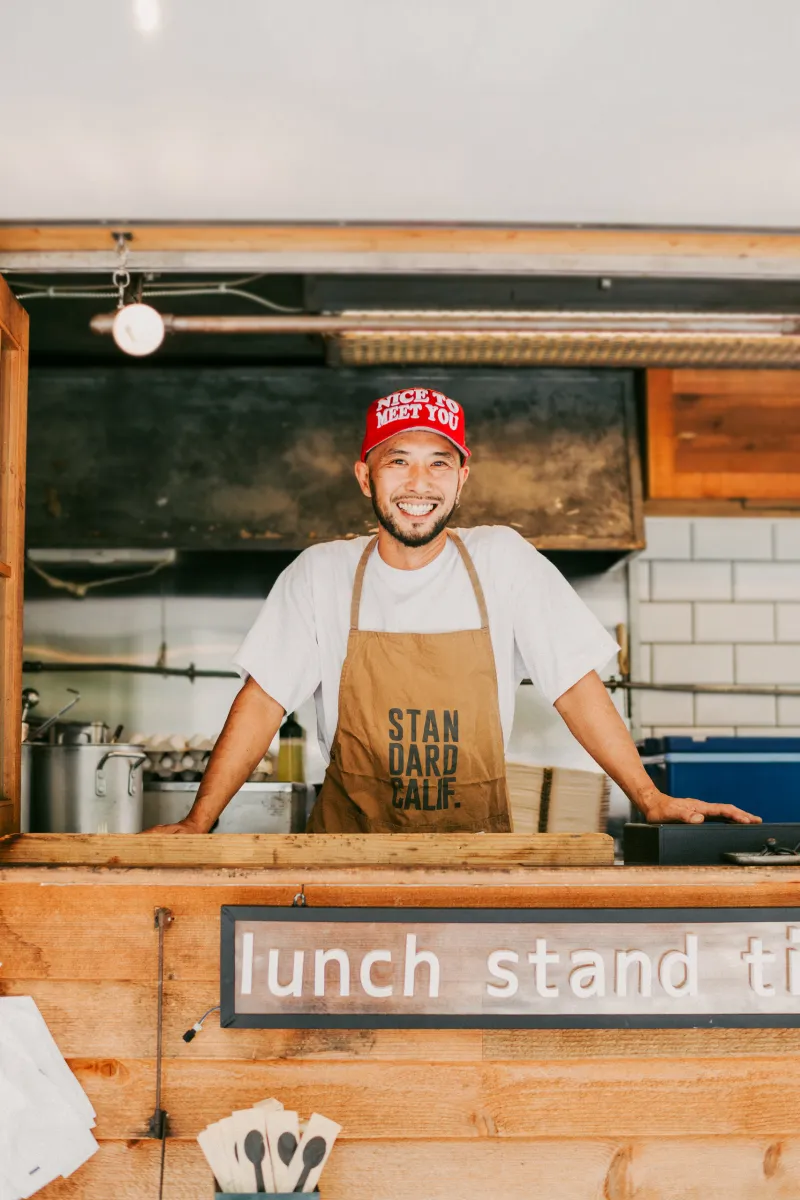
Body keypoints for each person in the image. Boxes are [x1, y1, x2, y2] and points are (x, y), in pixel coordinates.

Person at [148, 387, 759, 834]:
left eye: (438, 462)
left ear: (462, 477)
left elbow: (575, 685)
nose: (420, 482)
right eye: (398, 461)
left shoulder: (503, 560)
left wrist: (647, 797)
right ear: (366, 476)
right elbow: (263, 700)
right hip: (346, 860)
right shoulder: (321, 574)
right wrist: (198, 822)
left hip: (474, 860)